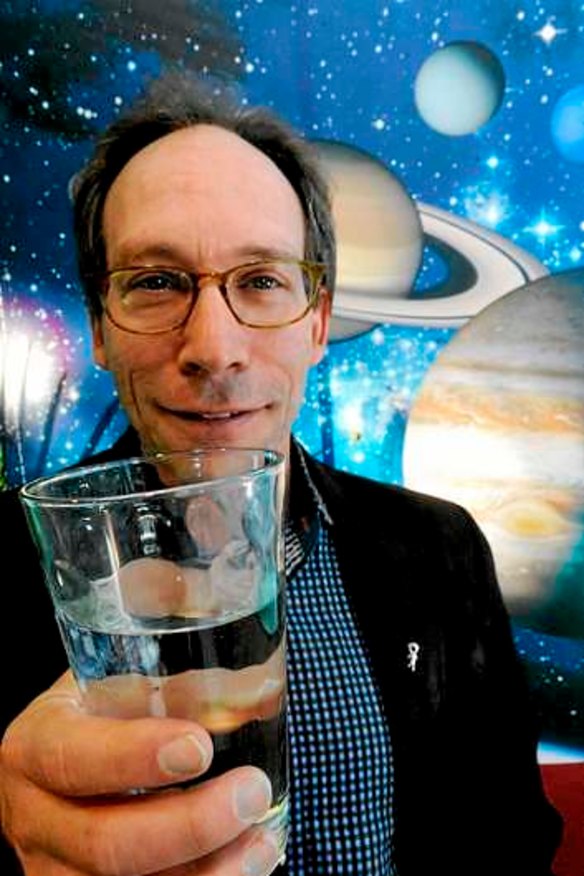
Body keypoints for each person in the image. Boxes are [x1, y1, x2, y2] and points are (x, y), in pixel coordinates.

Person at [0, 72, 562, 876]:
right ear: (99, 328)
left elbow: (511, 839)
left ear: (319, 321)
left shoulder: (442, 549)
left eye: (262, 281)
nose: (214, 348)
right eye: (155, 283)